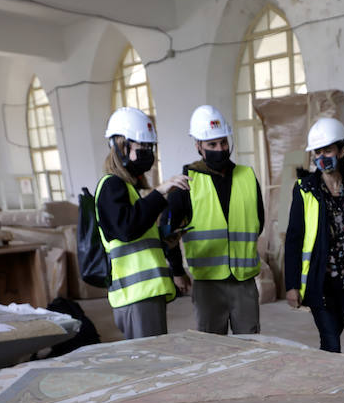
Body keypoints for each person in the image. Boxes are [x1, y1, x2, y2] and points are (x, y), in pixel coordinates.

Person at [165, 105, 264, 335]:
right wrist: (177, 271)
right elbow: (169, 232)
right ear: (198, 146)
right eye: (212, 145)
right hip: (207, 282)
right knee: (211, 347)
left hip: (244, 280)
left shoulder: (248, 176)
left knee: (250, 346)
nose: (220, 149)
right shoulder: (185, 183)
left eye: (224, 142)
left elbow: (259, 222)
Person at [284, 116, 344, 352]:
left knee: (332, 337)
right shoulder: (305, 189)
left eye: (327, 150)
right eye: (317, 152)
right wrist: (291, 284)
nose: (322, 157)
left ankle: (323, 376)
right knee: (331, 340)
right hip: (320, 280)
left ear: (341, 151)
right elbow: (293, 239)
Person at [94, 106, 175, 339]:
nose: (148, 154)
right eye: (142, 148)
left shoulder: (128, 188)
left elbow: (138, 232)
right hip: (136, 295)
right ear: (120, 147)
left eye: (150, 148)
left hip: (145, 294)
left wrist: (164, 239)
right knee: (152, 364)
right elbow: (126, 229)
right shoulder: (112, 185)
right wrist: (159, 193)